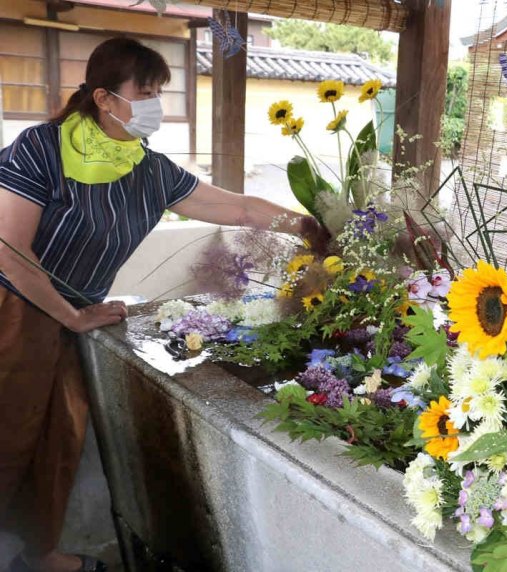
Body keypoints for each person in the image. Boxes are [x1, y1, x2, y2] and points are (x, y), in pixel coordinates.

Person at [0, 37, 325, 572]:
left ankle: (40, 555)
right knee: (6, 435)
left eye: (159, 93)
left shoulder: (147, 170)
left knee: (58, 437)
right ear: (104, 99)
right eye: (145, 93)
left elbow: (238, 208)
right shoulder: (43, 148)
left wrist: (313, 226)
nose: (156, 106)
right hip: (14, 314)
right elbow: (11, 252)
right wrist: (73, 316)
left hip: (72, 320)